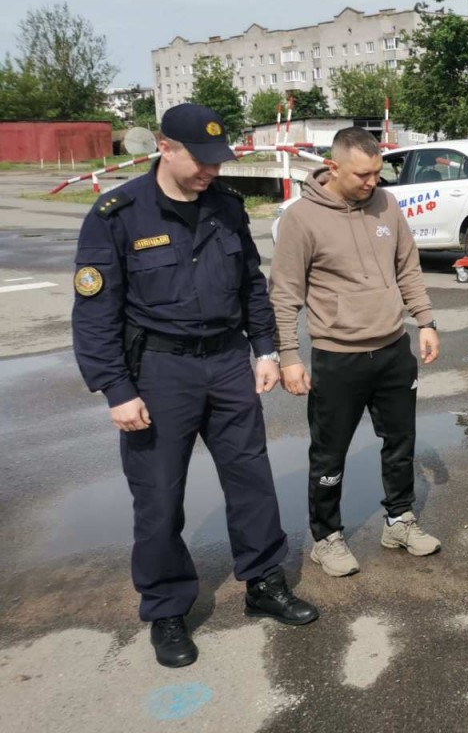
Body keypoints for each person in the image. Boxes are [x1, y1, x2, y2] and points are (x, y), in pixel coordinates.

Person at [71, 103, 318, 670]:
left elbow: (251, 284)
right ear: (165, 147)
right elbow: (95, 313)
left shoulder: (225, 207)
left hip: (228, 362)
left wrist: (264, 350)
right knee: (158, 496)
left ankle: (264, 582)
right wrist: (116, 389)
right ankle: (166, 609)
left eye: (217, 160)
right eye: (201, 160)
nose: (212, 170)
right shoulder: (118, 214)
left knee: (251, 480)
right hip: (160, 371)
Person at [269, 127, 442, 577]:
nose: (372, 182)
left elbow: (407, 267)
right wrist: (289, 356)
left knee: (400, 443)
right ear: (333, 167)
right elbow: (284, 294)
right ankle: (326, 538)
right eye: (362, 174)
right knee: (329, 455)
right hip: (338, 356)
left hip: (392, 349)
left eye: (377, 173)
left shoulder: (387, 204)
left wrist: (425, 321)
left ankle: (399, 521)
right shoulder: (302, 218)